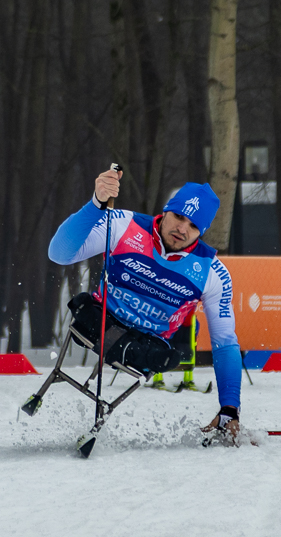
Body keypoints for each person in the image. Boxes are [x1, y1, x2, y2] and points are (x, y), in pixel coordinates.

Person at [48, 167, 243, 440]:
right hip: (102, 319)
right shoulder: (123, 224)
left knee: (169, 355)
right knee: (82, 308)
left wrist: (229, 409)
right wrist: (96, 204)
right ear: (165, 210)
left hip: (148, 344)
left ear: (203, 231)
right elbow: (59, 254)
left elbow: (225, 342)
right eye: (178, 216)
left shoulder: (212, 272)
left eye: (193, 226)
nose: (181, 229)